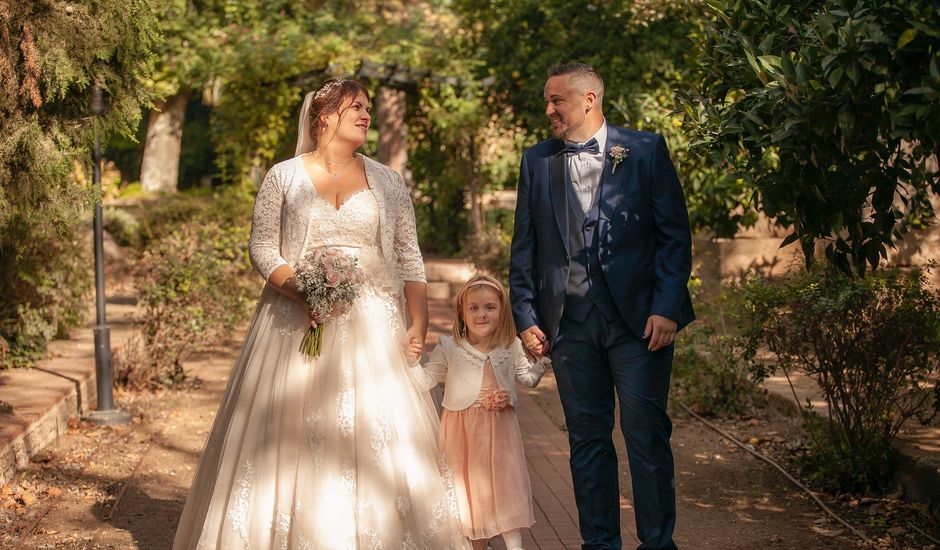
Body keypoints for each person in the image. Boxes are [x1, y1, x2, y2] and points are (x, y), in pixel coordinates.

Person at [172, 79, 468, 550]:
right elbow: (262, 247)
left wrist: (419, 323)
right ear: (323, 115)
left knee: (374, 431)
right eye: (357, 107)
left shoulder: (388, 181)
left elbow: (409, 257)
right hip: (293, 324)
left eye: (368, 108)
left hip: (373, 326)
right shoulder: (283, 176)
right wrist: (303, 291)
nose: (367, 115)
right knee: (288, 432)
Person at [508, 63, 695, 550]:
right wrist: (525, 316)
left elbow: (674, 236)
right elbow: (524, 248)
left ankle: (658, 544)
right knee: (587, 442)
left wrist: (668, 308)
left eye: (557, 101)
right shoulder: (537, 160)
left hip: (640, 325)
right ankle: (599, 543)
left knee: (645, 437)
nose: (548, 110)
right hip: (569, 328)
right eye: (547, 102)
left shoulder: (646, 150)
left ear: (589, 99)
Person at [408, 275, 547, 550]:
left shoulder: (511, 346)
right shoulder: (449, 347)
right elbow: (425, 381)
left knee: (506, 485)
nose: (481, 314)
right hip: (461, 432)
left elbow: (527, 380)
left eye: (489, 307)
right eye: (474, 308)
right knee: (468, 491)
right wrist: (412, 363)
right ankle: (476, 544)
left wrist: (539, 361)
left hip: (501, 432)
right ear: (462, 312)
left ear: (501, 311)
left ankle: (514, 545)